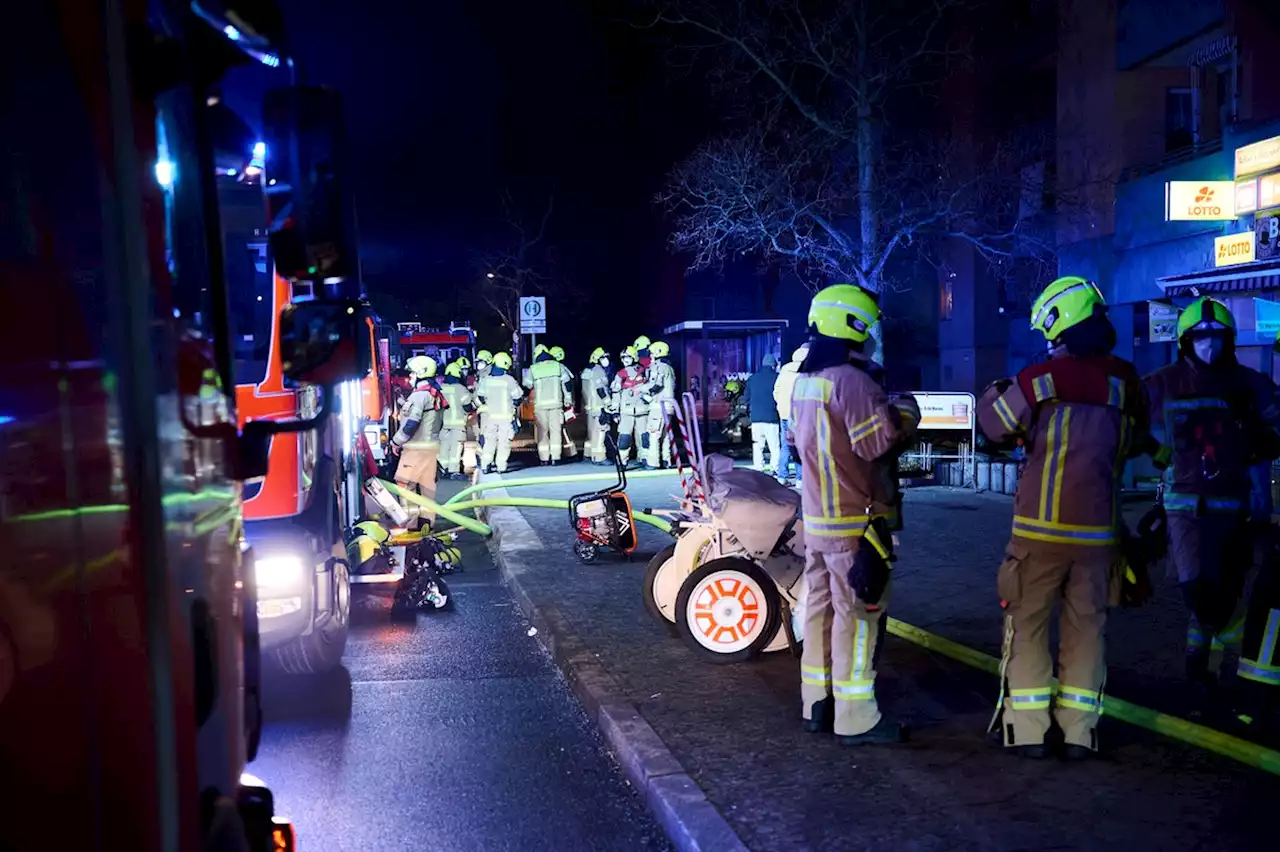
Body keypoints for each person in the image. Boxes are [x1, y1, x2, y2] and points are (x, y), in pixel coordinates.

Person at [977, 275, 1155, 759]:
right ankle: (1080, 733)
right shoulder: (1127, 384)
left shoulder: (1039, 381)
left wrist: (997, 394)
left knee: (1028, 627)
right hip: (1099, 538)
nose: (1049, 344)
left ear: (1061, 325)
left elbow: (994, 427)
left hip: (1038, 535)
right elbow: (1139, 442)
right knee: (1087, 632)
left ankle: (1028, 731)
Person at [791, 284, 919, 746]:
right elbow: (875, 445)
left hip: (819, 521)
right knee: (859, 618)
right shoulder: (853, 382)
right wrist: (904, 414)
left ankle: (816, 704)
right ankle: (856, 715)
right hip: (856, 525)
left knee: (819, 613)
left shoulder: (806, 381)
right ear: (855, 326)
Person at [1145, 297, 1280, 726]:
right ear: (1186, 341)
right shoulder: (1162, 383)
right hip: (1185, 507)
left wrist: (1260, 438)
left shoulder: (1249, 384)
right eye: (1200, 338)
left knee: (1220, 591)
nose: (1209, 346)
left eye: (1217, 337)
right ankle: (1229, 663)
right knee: (1199, 593)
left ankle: (1202, 672)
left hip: (1235, 507)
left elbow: (1277, 425)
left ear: (1230, 340)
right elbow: (1126, 421)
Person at [390, 355, 447, 530]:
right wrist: (400, 399)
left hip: (415, 449)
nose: (410, 377)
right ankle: (426, 524)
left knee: (405, 486)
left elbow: (411, 424)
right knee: (427, 489)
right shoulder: (433, 393)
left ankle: (411, 525)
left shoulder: (419, 396)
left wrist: (396, 441)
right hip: (430, 448)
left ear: (421, 373)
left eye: (413, 374)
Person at [477, 351, 524, 474]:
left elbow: (481, 397)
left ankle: (485, 465)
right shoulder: (509, 380)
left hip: (491, 417)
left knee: (489, 441)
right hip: (506, 418)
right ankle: (501, 466)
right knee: (504, 443)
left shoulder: (486, 380)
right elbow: (518, 397)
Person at [526, 343, 569, 465]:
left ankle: (544, 459)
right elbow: (567, 384)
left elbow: (527, 384)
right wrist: (568, 399)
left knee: (542, 432)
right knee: (556, 431)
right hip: (556, 405)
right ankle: (556, 457)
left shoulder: (533, 369)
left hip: (540, 406)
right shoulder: (558, 366)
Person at [775, 344, 810, 485]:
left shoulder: (785, 370)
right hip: (800, 414)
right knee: (800, 446)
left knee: (785, 446)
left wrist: (781, 406)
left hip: (784, 413)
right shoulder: (807, 371)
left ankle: (782, 476)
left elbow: (776, 391)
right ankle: (800, 479)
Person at [642, 340, 678, 469]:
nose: (650, 356)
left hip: (658, 406)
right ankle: (666, 461)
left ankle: (652, 463)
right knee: (666, 436)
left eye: (651, 353)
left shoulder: (659, 366)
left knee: (653, 435)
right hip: (669, 407)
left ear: (657, 353)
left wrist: (641, 389)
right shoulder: (669, 368)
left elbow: (656, 385)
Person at [438, 361, 476, 479]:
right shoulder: (460, 389)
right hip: (458, 425)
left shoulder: (441, 388)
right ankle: (454, 471)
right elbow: (467, 406)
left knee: (444, 447)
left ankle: (443, 469)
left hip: (444, 425)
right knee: (456, 448)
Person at [611, 346, 648, 466]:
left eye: (628, 357)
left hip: (643, 411)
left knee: (644, 437)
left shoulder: (644, 371)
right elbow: (616, 394)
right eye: (623, 357)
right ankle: (622, 461)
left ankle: (645, 459)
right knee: (624, 438)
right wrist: (615, 411)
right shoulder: (620, 374)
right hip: (626, 412)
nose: (625, 360)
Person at [746, 353, 781, 474]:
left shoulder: (753, 378)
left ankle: (758, 468)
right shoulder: (777, 377)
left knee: (757, 445)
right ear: (773, 366)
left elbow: (746, 398)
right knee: (774, 446)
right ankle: (775, 468)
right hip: (772, 417)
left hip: (756, 418)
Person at [581, 347, 612, 464]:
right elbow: (600, 389)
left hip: (590, 407)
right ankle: (599, 457)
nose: (606, 360)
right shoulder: (598, 370)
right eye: (603, 357)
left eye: (606, 357)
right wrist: (609, 403)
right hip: (599, 406)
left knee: (591, 432)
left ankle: (589, 454)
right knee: (600, 432)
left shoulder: (587, 371)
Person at [550, 345, 578, 460]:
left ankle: (570, 452)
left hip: (562, 403)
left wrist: (568, 401)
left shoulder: (559, 367)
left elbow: (567, 385)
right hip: (563, 402)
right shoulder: (563, 367)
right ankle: (568, 451)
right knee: (561, 428)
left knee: (562, 428)